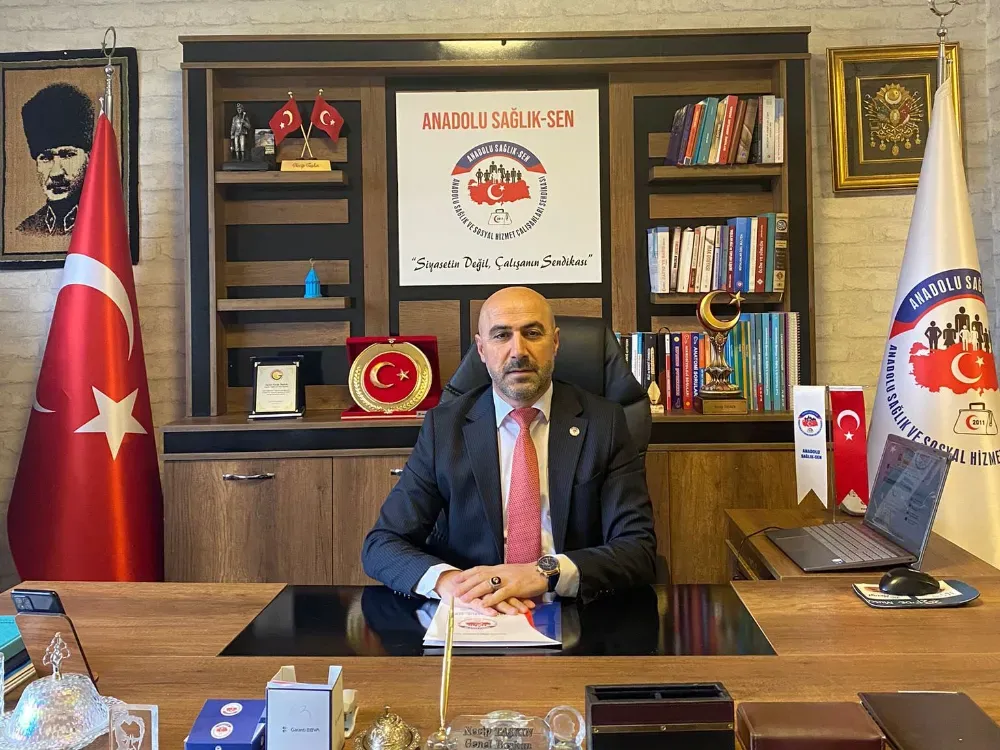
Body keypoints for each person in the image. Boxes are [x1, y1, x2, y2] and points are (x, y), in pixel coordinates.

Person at [362, 287, 656, 615]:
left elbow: (638, 548)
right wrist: (451, 583)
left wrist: (544, 573)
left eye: (533, 333)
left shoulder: (604, 423)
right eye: (501, 335)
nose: (518, 351)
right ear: (481, 349)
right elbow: (382, 544)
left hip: (573, 610)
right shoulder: (444, 428)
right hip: (476, 611)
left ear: (555, 342)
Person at [17, 83, 95, 237]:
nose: (56, 172)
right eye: (45, 158)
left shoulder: (107, 223)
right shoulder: (26, 229)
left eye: (67, 155)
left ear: (89, 158)